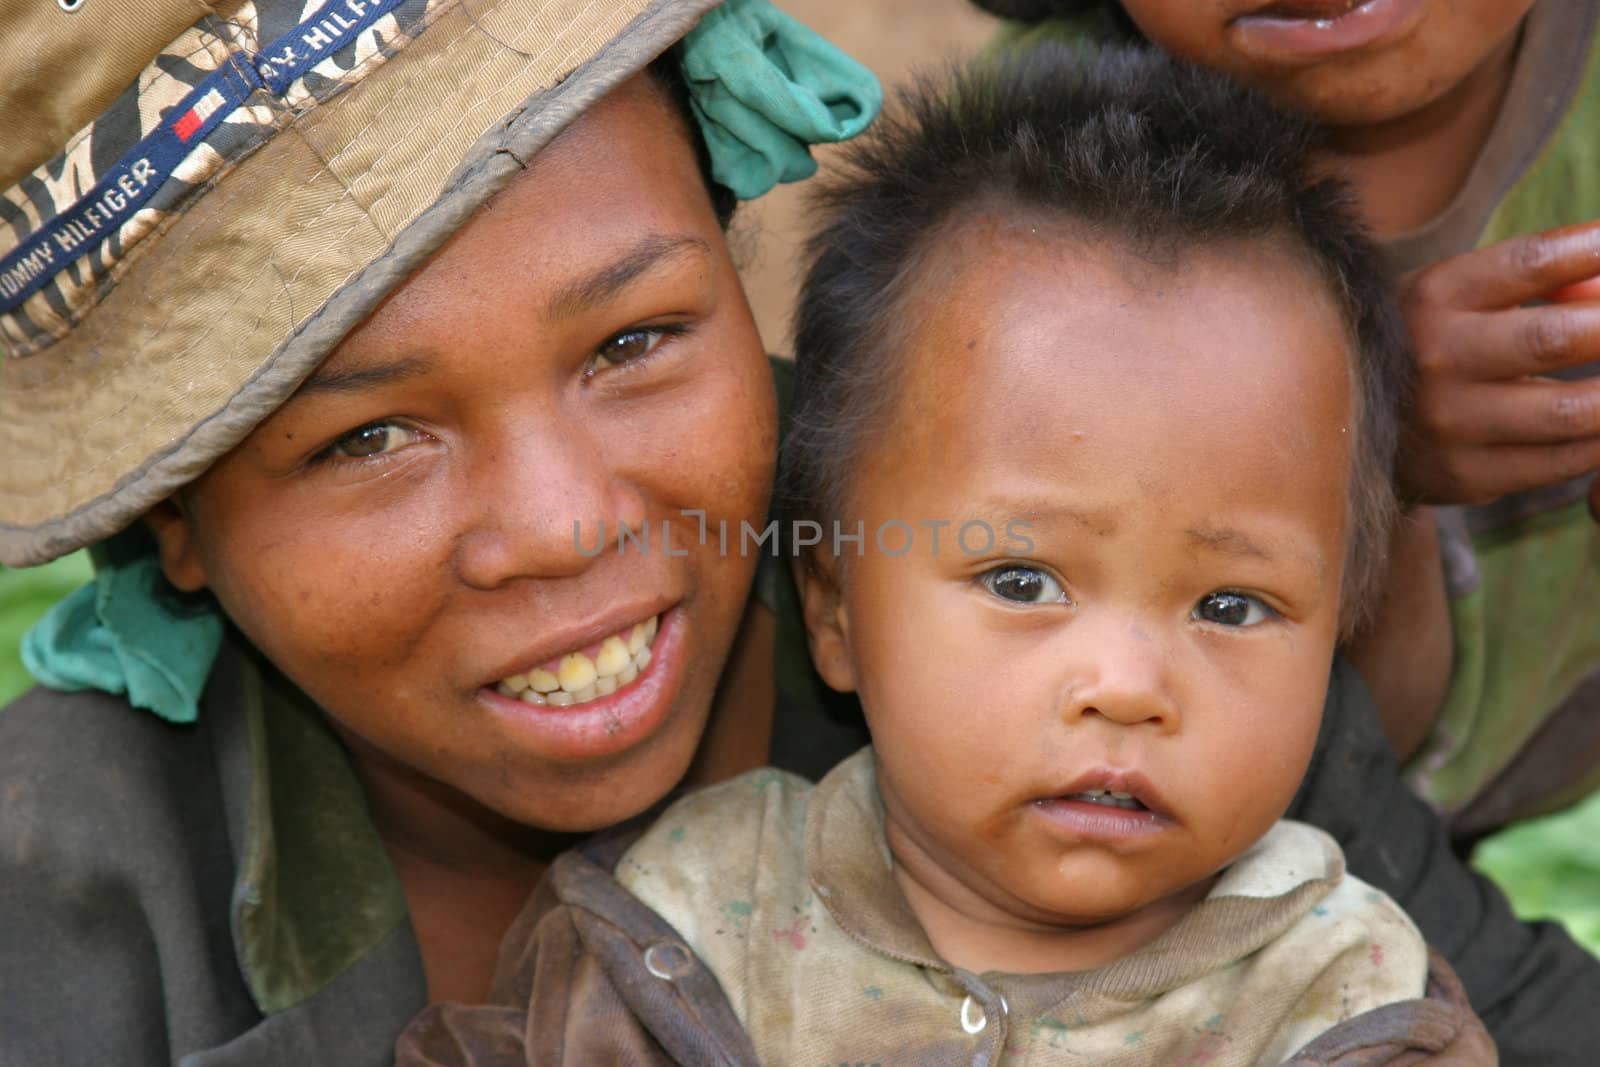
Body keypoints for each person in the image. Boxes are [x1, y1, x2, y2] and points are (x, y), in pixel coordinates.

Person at [397, 45, 1495, 1065]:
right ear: (831, 607)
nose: (1126, 686)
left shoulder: (1349, 1005)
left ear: (1339, 623)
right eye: (1021, 581)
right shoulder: (675, 934)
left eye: (1232, 605)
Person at [0, 1, 878, 1062]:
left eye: (633, 339)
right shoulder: (49, 902)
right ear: (169, 510)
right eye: (369, 437)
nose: (563, 526)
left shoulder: (1036, 616)